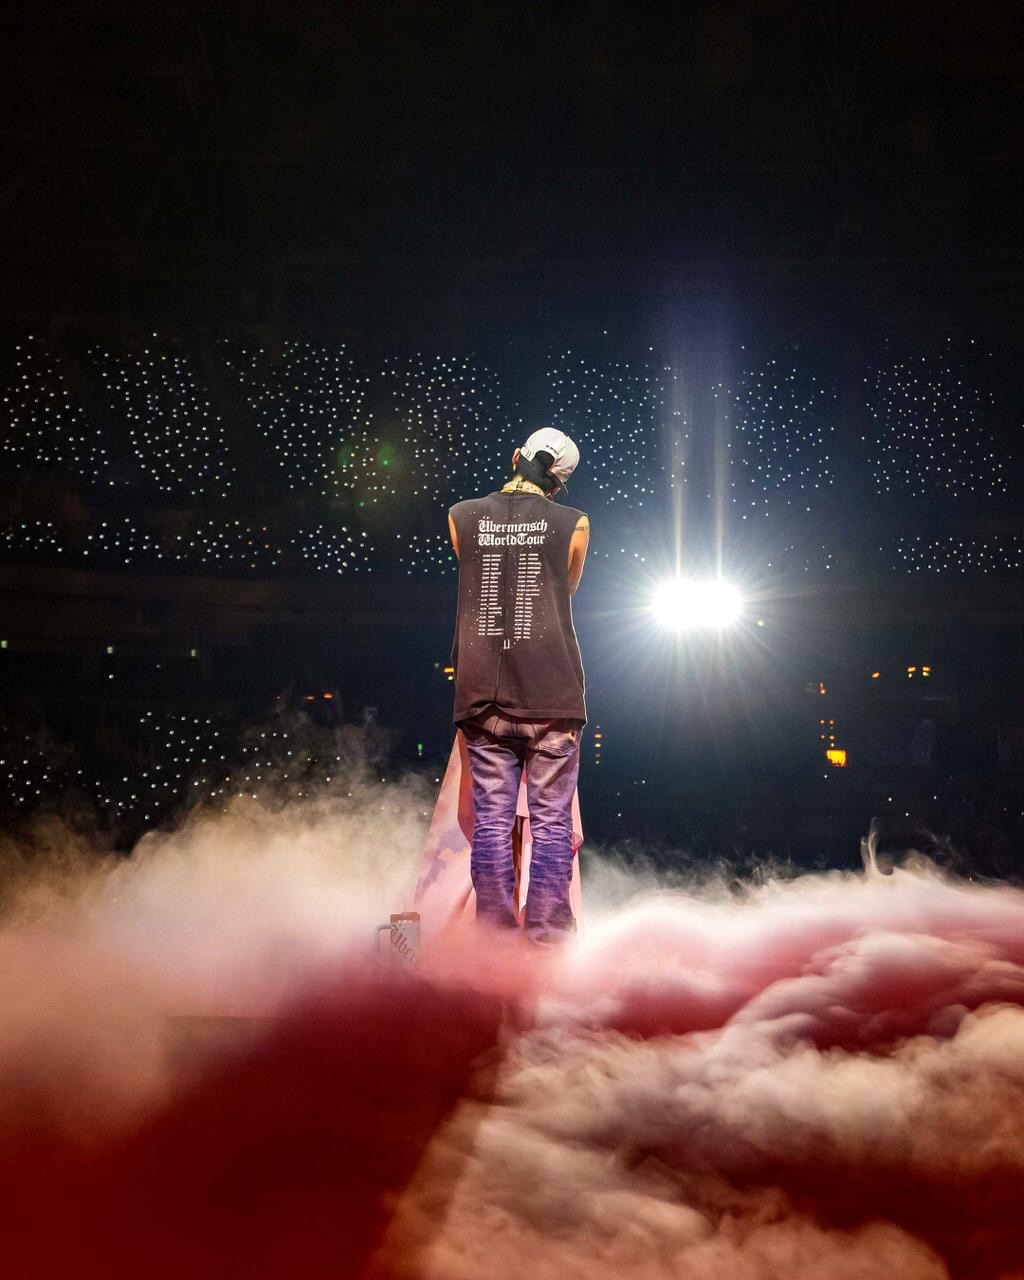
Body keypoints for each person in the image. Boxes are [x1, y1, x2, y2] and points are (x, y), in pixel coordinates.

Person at [446, 428, 590, 944]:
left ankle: (495, 947)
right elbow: (566, 586)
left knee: (491, 823)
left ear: (515, 457)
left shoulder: (461, 515)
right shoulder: (574, 524)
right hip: (551, 695)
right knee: (551, 825)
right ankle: (549, 943)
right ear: (559, 481)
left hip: (483, 696)